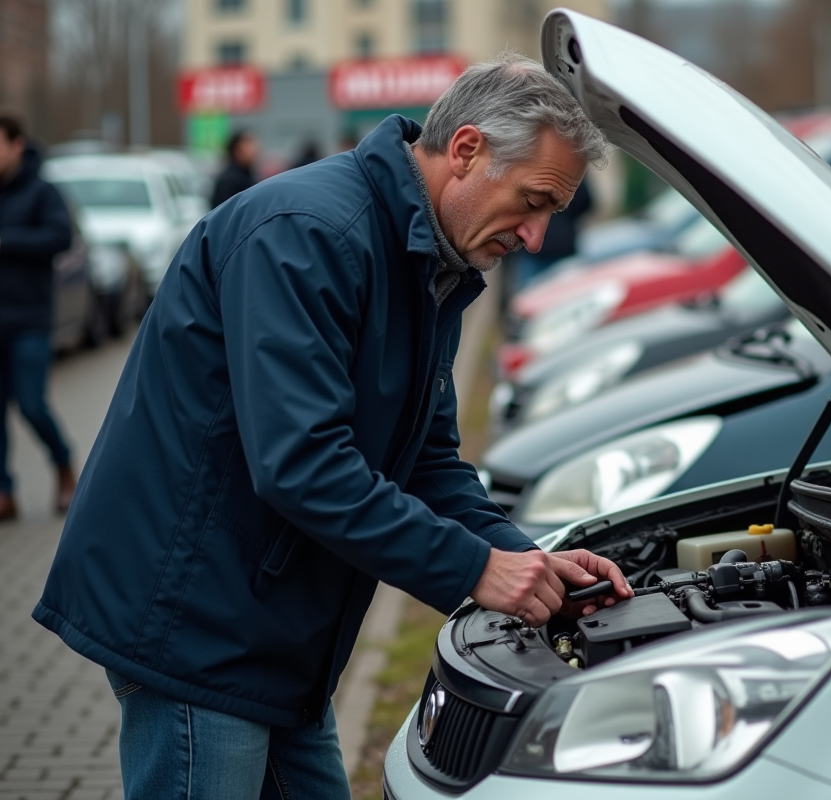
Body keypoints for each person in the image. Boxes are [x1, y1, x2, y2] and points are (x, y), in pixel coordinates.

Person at [34, 55, 630, 799]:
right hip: (195, 623)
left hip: (275, 631)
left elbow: (427, 463)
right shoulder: (309, 234)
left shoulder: (428, 261)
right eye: (534, 201)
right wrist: (475, 571)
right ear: (468, 149)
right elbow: (302, 463)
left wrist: (534, 563)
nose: (538, 237)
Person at [0, 110, 77, 519]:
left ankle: (64, 465)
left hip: (29, 318)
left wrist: (6, 241)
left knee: (31, 405)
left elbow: (60, 237)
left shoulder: (43, 192)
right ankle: (4, 493)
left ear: (16, 144)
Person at [209, 128, 258, 208]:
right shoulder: (229, 180)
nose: (254, 149)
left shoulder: (248, 175)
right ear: (236, 149)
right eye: (248, 143)